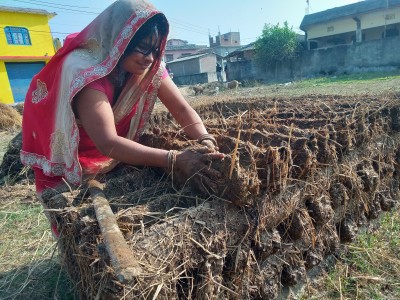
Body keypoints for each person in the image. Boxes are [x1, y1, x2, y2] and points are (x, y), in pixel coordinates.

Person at [20, 0, 224, 235]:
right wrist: (175, 159)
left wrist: (205, 138)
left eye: (156, 50)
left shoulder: (150, 66)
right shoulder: (86, 72)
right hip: (70, 149)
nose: (149, 57)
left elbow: (181, 109)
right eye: (142, 47)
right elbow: (108, 142)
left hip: (108, 148)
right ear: (120, 40)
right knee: (76, 226)